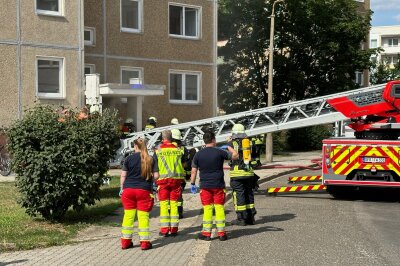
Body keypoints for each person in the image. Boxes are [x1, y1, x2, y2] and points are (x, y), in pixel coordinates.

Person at [190, 131, 238, 241]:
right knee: (219, 208)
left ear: (204, 141)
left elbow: (193, 171)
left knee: (207, 209)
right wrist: (229, 146)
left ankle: (206, 234)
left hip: (205, 186)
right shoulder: (220, 152)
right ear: (213, 140)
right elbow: (235, 156)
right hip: (218, 185)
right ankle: (222, 233)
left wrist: (193, 183)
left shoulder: (198, 154)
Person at [119, 138, 158, 250]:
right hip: (144, 191)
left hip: (128, 191)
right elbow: (156, 176)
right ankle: (145, 243)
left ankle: (125, 243)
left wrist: (122, 188)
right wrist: (153, 184)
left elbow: (123, 175)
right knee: (143, 217)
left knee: (128, 216)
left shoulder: (128, 158)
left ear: (135, 146)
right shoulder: (150, 159)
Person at [153, 130, 185, 236]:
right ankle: (174, 229)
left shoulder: (158, 150)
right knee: (174, 204)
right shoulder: (178, 149)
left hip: (163, 182)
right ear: (171, 138)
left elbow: (155, 167)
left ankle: (164, 230)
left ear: (163, 139)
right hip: (176, 181)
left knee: (164, 205)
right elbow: (184, 163)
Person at [227, 124, 257, 226]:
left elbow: (230, 157)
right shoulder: (249, 142)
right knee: (249, 193)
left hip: (237, 174)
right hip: (249, 173)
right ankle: (251, 218)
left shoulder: (231, 143)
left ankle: (241, 218)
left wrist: (229, 143)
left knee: (238, 194)